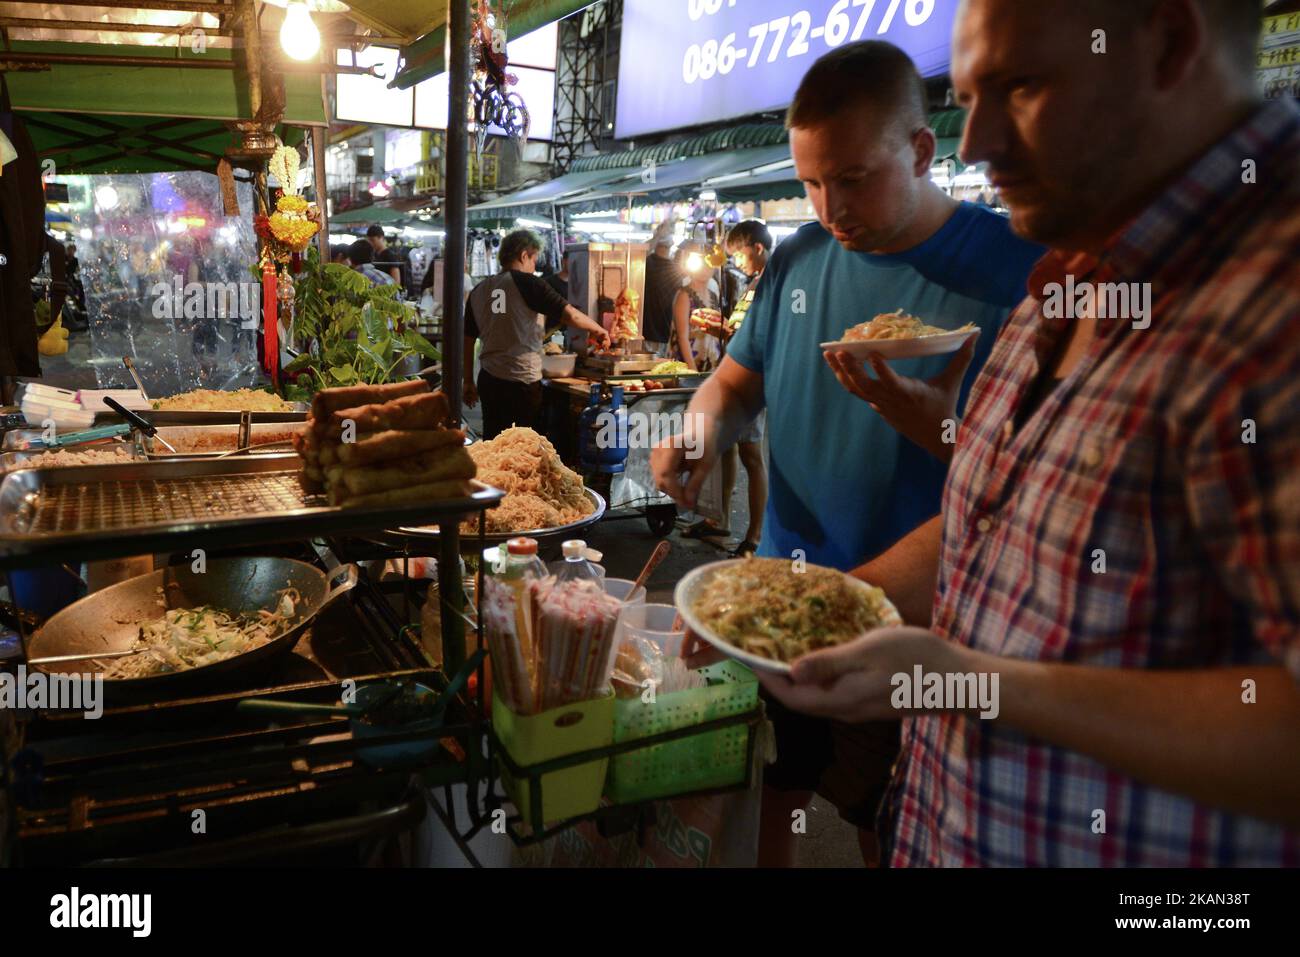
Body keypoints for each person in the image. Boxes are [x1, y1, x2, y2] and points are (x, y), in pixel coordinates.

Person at [767, 0, 1300, 867]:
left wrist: (978, 683)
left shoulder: (1270, 295)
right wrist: (812, 612)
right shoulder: (1068, 276)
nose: (974, 143)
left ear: (1168, 41)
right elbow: (998, 525)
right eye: (972, 96)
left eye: (1021, 86)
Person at [651, 40, 1043, 867]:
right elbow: (734, 384)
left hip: (905, 620)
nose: (830, 206)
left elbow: (1031, 491)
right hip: (771, 600)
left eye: (854, 178)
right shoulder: (798, 257)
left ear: (922, 149)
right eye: (810, 182)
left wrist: (941, 432)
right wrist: (696, 432)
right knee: (769, 790)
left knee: (893, 819)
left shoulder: (1016, 270)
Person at [464, 229, 610, 439]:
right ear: (524, 255)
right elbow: (571, 315)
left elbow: (468, 339)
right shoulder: (528, 283)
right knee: (524, 447)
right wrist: (598, 329)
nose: (534, 267)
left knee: (494, 442)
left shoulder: (480, 289)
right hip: (520, 383)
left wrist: (467, 381)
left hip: (489, 380)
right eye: (534, 259)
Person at [720, 219, 773, 557]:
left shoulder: (773, 282)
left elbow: (765, 333)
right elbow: (743, 327)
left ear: (757, 247)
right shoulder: (753, 283)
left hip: (756, 379)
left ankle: (754, 535)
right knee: (731, 448)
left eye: (739, 254)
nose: (737, 262)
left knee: (752, 455)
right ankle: (720, 519)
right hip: (739, 375)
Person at [642, 220, 682, 357]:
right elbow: (638, 254)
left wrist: (657, 237)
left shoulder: (675, 269)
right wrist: (657, 237)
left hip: (659, 333)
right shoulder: (647, 264)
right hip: (651, 333)